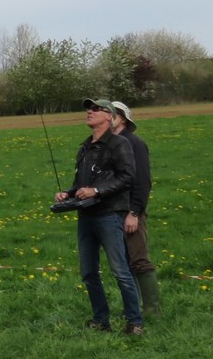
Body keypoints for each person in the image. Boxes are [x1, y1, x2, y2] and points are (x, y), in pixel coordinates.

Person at [55, 99, 144, 335]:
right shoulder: (85, 147)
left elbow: (128, 177)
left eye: (96, 109)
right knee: (88, 272)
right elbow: (80, 183)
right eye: (88, 108)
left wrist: (97, 191)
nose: (90, 112)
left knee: (120, 271)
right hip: (86, 216)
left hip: (109, 215)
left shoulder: (119, 144)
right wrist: (68, 193)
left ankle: (135, 322)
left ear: (110, 116)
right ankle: (100, 320)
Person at [112, 101, 161, 318]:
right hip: (112, 212)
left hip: (131, 212)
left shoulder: (135, 144)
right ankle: (132, 308)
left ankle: (152, 310)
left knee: (138, 259)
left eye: (110, 113)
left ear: (122, 118)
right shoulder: (110, 144)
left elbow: (143, 182)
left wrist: (135, 212)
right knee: (122, 262)